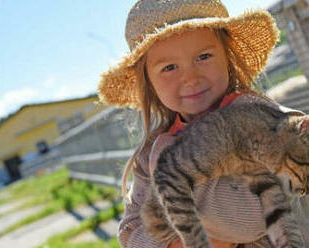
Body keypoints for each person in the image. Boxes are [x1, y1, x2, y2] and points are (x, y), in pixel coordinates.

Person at [98, 0, 308, 247]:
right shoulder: (149, 152)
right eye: (169, 67)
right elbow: (129, 231)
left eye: (204, 56)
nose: (190, 78)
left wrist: (168, 187)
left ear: (228, 56)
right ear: (149, 81)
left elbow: (250, 222)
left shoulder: (273, 126)